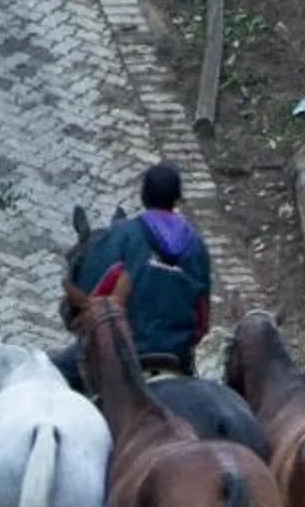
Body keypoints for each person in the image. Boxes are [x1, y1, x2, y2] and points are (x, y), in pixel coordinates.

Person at [80, 161, 212, 376]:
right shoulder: (196, 246)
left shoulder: (122, 235)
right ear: (176, 197)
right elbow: (203, 320)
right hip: (178, 357)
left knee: (58, 372)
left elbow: (92, 297)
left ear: (144, 195)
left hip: (125, 354)